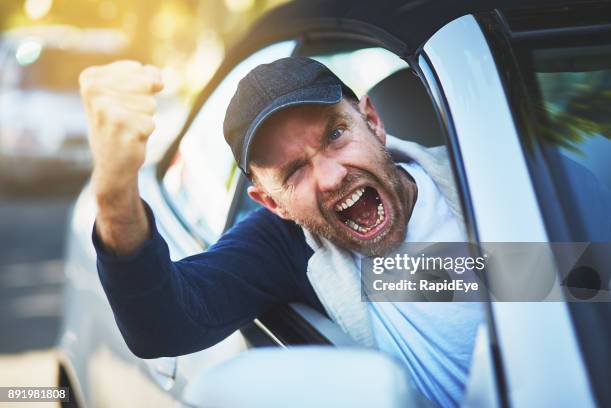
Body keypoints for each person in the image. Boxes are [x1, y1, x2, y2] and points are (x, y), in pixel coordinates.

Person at [80, 57, 483, 407]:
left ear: (373, 122)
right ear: (273, 203)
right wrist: (115, 190)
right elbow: (162, 324)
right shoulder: (283, 245)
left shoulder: (498, 175)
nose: (330, 176)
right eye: (294, 172)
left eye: (336, 135)